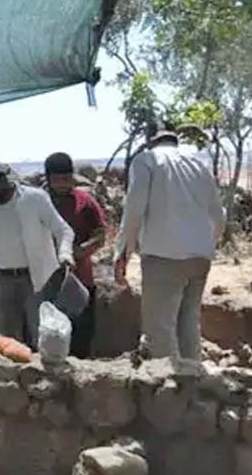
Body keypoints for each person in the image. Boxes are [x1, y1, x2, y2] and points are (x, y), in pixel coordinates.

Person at [115, 126, 225, 362]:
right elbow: (218, 215)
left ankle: (167, 381)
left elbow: (134, 209)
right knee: (189, 323)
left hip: (163, 257)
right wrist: (208, 244)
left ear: (151, 142)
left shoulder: (146, 160)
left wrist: (123, 252)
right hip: (200, 258)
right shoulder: (198, 163)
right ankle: (194, 375)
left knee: (160, 330)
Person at [0, 159, 75, 347]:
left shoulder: (34, 199)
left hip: (34, 279)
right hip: (2, 279)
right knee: (6, 338)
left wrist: (65, 254)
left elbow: (63, 230)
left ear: (2, 180)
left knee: (40, 333)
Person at [44, 152, 109, 358]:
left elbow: (101, 234)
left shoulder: (85, 201)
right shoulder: (40, 202)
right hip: (46, 277)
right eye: (57, 180)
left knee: (81, 330)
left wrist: (81, 250)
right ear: (48, 179)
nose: (62, 184)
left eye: (66, 178)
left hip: (81, 278)